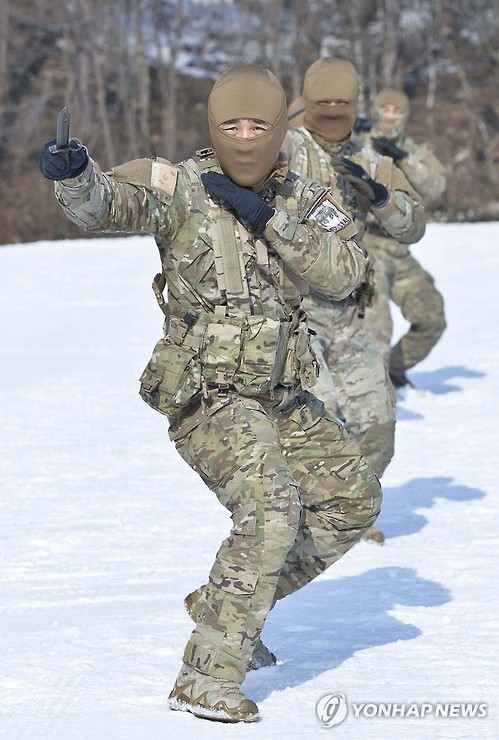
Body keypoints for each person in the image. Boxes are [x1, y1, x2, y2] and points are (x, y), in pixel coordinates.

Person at [40, 65, 381, 725]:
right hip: (210, 395)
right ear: (213, 127)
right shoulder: (179, 187)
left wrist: (272, 221)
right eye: (232, 124)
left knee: (350, 502)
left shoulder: (308, 198)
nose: (246, 136)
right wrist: (73, 174)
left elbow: (345, 275)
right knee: (270, 513)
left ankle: (225, 602)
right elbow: (103, 204)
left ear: (280, 126)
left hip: (280, 395)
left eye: (259, 123)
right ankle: (205, 676)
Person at [283, 58, 425, 489]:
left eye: (342, 101)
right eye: (322, 100)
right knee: (316, 420)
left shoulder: (370, 160)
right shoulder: (284, 148)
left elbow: (413, 225)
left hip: (348, 315)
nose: (332, 109)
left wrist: (381, 197)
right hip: (292, 312)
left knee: (378, 425)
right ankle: (307, 518)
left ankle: (348, 515)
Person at [353, 88, 447, 387]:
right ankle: (372, 392)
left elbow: (435, 188)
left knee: (432, 316)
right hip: (369, 244)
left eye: (397, 111)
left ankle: (391, 371)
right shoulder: (357, 140)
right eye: (385, 109)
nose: (390, 116)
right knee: (377, 326)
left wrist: (404, 160)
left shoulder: (413, 150)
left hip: (399, 248)